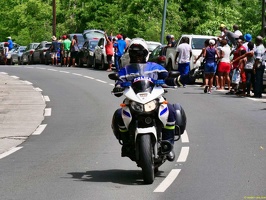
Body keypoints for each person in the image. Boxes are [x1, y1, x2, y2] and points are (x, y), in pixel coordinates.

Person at [112, 39, 183, 161]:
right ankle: (127, 144)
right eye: (134, 54)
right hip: (133, 100)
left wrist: (170, 80)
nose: (137, 57)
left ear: (145, 54)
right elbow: (119, 81)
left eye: (140, 54)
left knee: (170, 110)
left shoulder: (156, 67)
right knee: (119, 114)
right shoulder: (125, 70)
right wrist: (118, 86)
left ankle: (168, 144)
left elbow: (167, 77)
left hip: (154, 98)